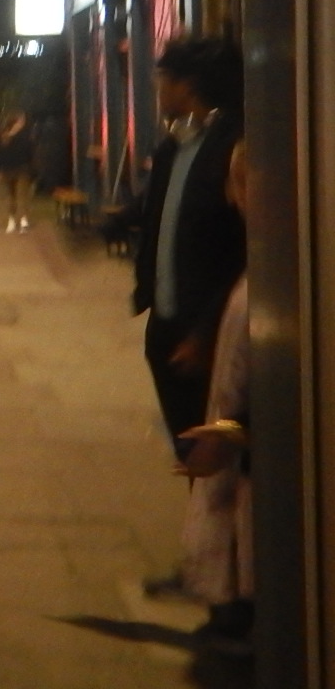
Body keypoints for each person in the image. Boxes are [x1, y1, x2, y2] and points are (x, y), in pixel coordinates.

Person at [128, 36, 245, 458]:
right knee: (189, 449)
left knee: (215, 452)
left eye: (163, 79)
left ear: (188, 85)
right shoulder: (175, 146)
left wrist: (205, 333)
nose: (158, 88)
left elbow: (239, 253)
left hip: (204, 333)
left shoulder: (232, 150)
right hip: (165, 322)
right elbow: (157, 210)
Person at [176, 140, 252, 654]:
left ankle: (240, 621)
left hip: (244, 441)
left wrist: (226, 433)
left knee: (242, 525)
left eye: (236, 182)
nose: (229, 195)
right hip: (235, 428)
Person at [0, 112, 35, 232]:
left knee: (15, 195)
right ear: (15, 123)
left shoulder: (5, 137)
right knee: (17, 195)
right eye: (20, 121)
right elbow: (30, 154)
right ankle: (18, 220)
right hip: (17, 170)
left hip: (13, 170)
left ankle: (16, 221)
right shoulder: (23, 137)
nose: (22, 123)